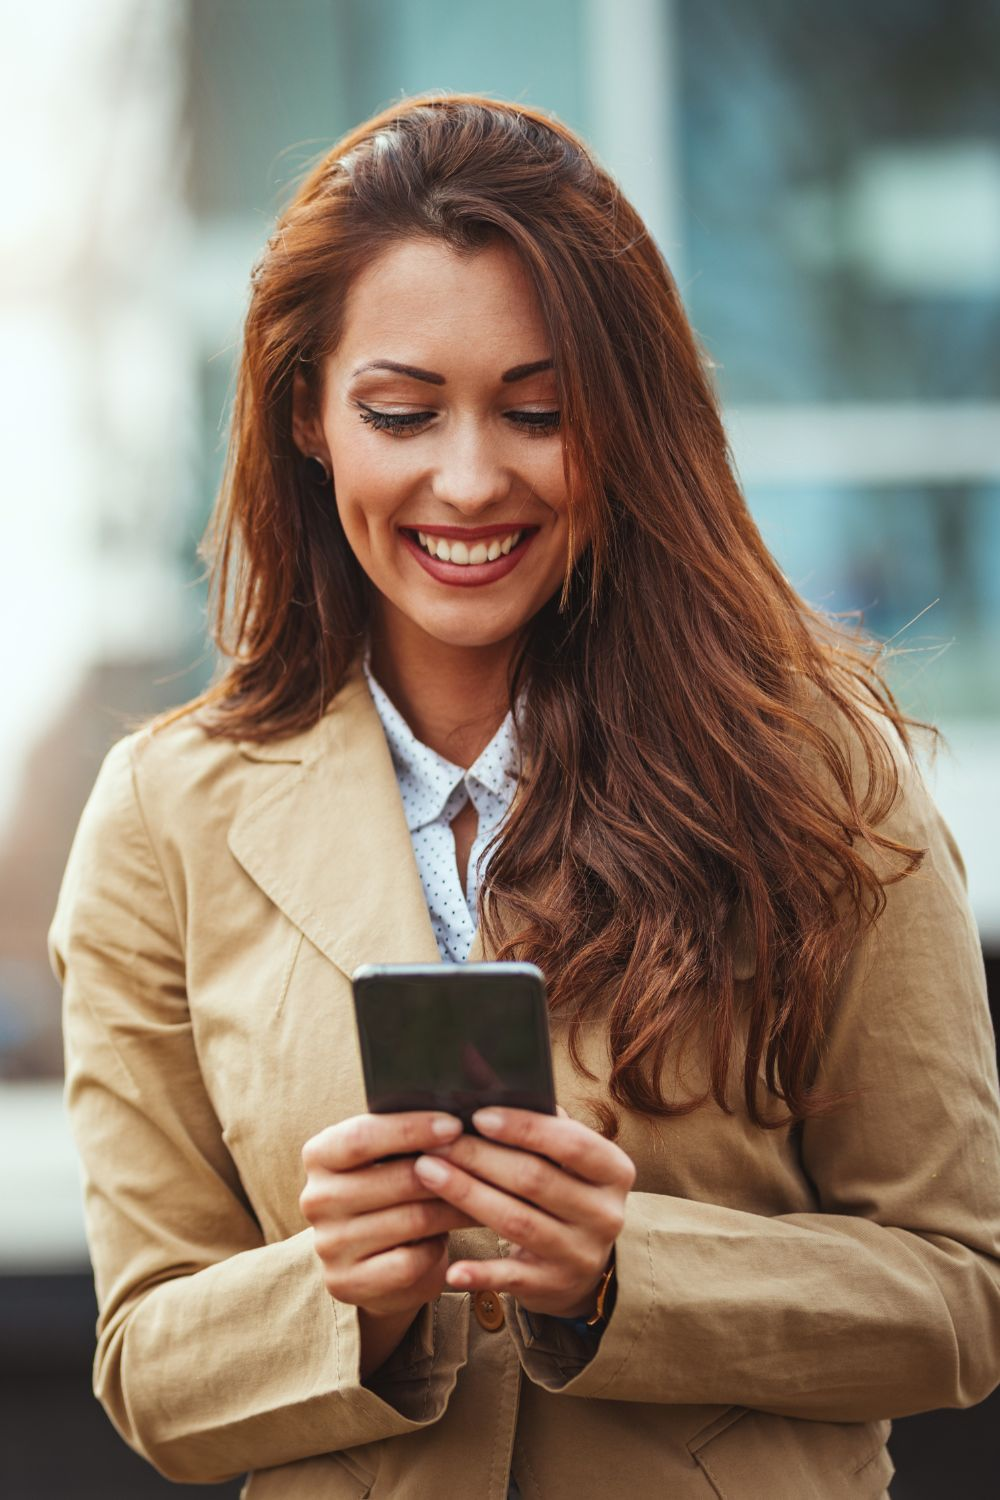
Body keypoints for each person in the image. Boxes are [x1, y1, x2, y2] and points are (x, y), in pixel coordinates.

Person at [50, 94, 1000, 1500]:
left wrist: (624, 1271)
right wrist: (345, 1295)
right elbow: (150, 1372)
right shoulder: (163, 819)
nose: (469, 479)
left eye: (539, 413)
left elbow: (960, 1298)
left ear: (625, 422)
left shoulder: (818, 772)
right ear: (309, 416)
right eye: (399, 413)